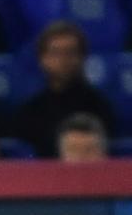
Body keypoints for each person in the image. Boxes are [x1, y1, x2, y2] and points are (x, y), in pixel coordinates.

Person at [10, 21, 114, 158]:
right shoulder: (29, 112)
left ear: (82, 57)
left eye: (70, 52)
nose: (63, 59)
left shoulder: (100, 107)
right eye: (56, 53)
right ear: (42, 59)